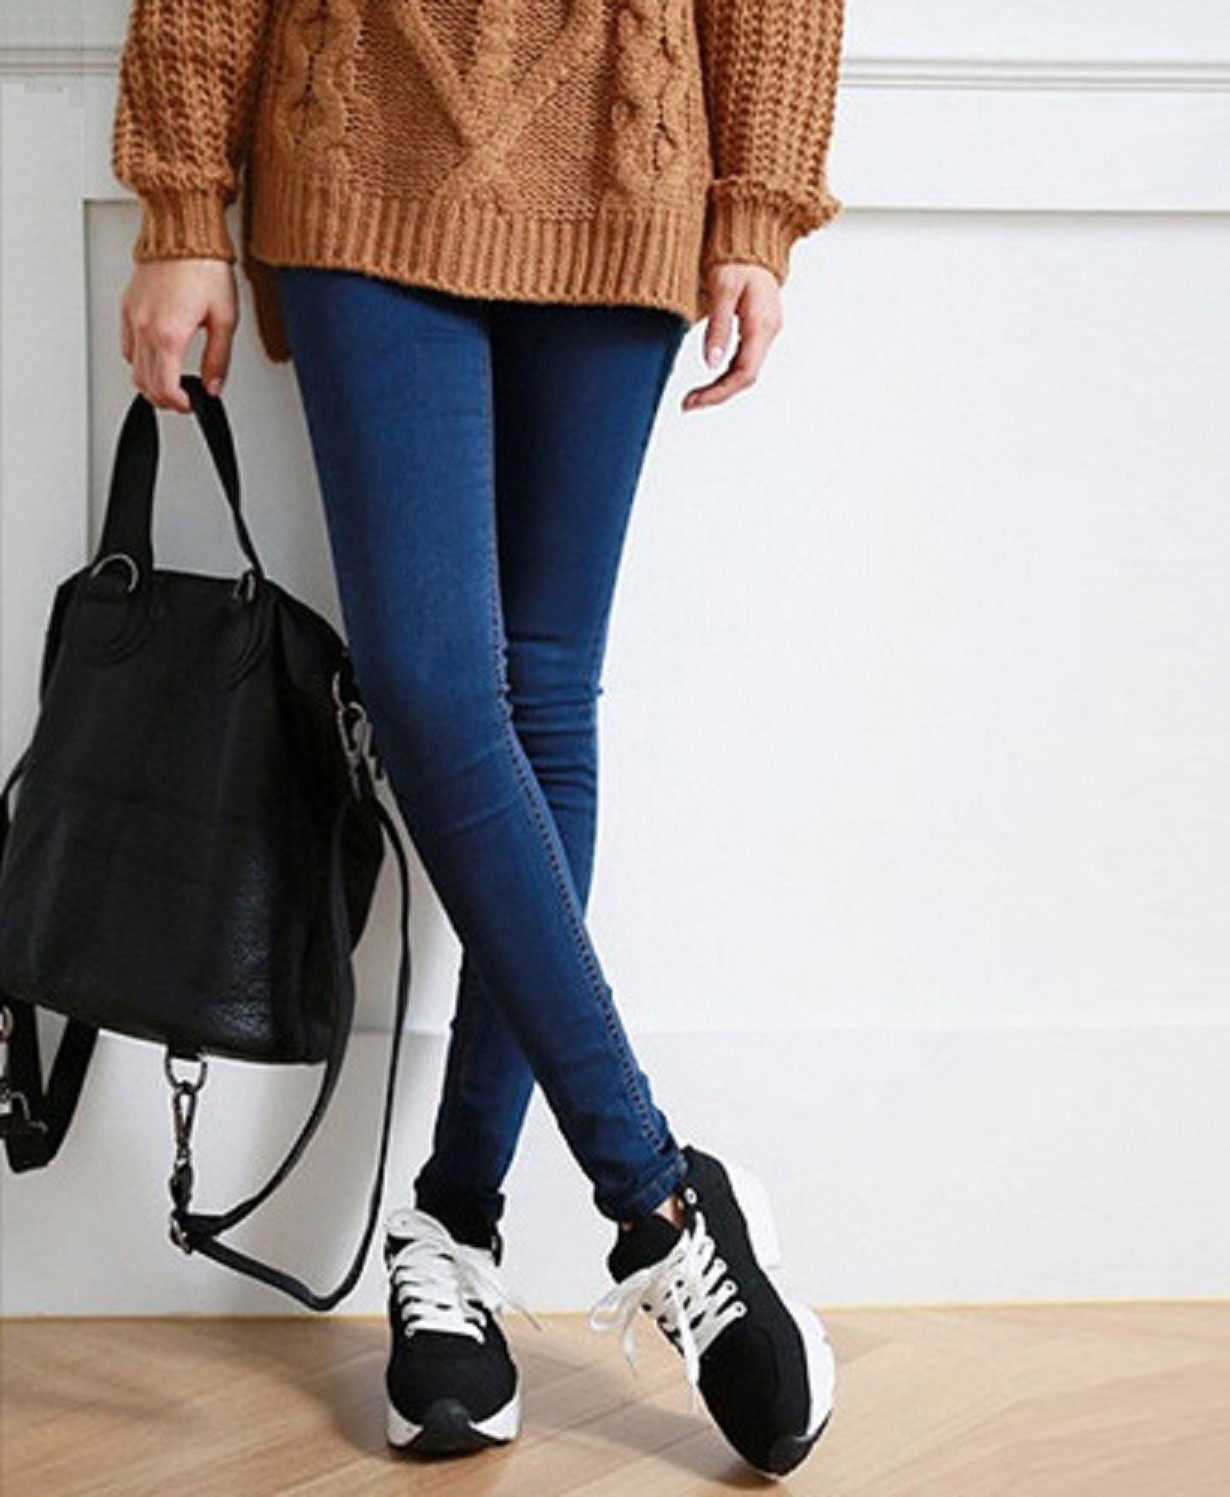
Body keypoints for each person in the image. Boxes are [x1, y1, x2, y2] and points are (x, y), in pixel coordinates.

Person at [111, 0, 846, 1477]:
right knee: (433, 690)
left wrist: (758, 205)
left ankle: (452, 1223)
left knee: (546, 700)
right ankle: (658, 1197)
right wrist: (184, 203)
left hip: (625, 141)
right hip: (354, 129)